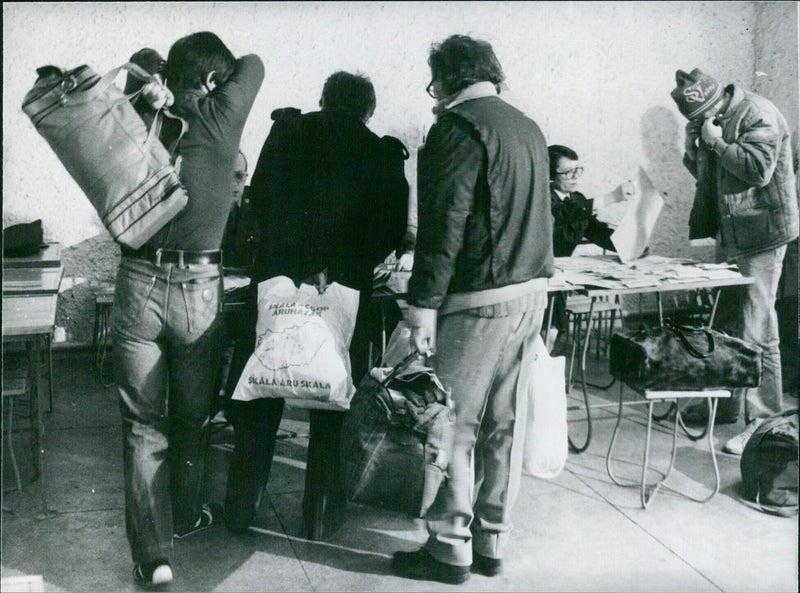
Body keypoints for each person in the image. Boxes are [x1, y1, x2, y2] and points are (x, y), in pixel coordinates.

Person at [391, 34, 553, 585]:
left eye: (434, 80)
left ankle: (449, 548)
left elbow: (444, 226)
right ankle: (491, 541)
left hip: (478, 301)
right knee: (503, 426)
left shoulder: (456, 128)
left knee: (451, 426)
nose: (432, 92)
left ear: (449, 78)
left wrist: (422, 306)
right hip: (530, 296)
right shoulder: (525, 124)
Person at [224, 71, 409, 540]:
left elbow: (259, 200)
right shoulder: (382, 152)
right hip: (345, 289)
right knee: (332, 402)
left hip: (278, 284)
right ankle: (320, 518)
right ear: (368, 110)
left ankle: (240, 510)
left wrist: (302, 263)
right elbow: (390, 228)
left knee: (262, 393)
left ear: (323, 99)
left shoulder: (287, 130)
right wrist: (335, 264)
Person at [112, 33, 263, 587]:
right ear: (214, 81)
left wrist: (159, 83)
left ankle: (153, 556)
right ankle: (187, 513)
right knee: (192, 418)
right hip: (200, 286)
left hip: (137, 281)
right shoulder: (221, 114)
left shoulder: (136, 108)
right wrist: (194, 90)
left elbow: (139, 57)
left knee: (141, 425)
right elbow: (254, 62)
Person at [671, 68, 798, 455]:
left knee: (758, 328)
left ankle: (765, 422)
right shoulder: (714, 122)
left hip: (762, 235)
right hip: (732, 233)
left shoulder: (759, 113)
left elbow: (758, 171)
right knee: (727, 324)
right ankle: (729, 407)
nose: (699, 125)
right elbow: (709, 179)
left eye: (698, 118)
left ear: (715, 103)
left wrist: (717, 142)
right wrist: (696, 148)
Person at [545, 144, 616, 350]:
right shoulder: (543, 198)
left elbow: (596, 231)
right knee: (549, 330)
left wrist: (628, 244)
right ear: (550, 176)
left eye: (578, 170)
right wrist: (610, 198)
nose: (575, 176)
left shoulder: (578, 199)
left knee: (553, 329)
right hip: (541, 276)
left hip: (561, 278)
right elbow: (563, 213)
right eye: (568, 172)